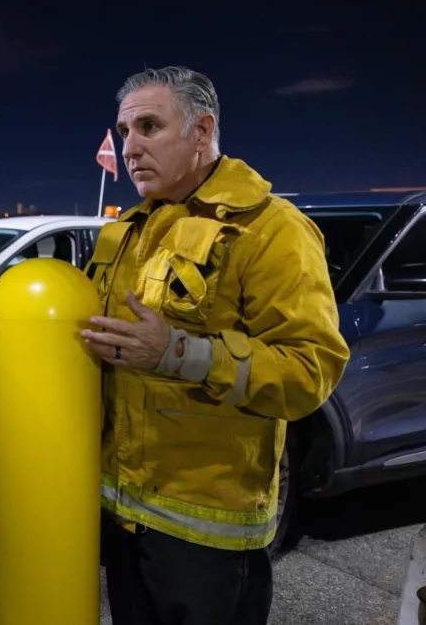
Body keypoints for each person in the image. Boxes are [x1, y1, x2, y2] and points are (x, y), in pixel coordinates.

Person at [80, 66, 350, 625]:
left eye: (148, 126)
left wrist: (178, 353)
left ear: (201, 131)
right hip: (123, 516)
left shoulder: (273, 230)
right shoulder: (125, 231)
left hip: (207, 535)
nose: (129, 148)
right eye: (124, 132)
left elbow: (310, 370)